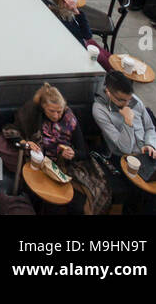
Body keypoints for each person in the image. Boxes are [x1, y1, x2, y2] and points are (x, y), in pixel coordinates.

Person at [93, 69, 156, 215]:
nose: (128, 104)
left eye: (129, 99)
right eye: (123, 100)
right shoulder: (100, 110)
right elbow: (125, 148)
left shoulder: (134, 101)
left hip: (149, 157)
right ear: (109, 94)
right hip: (127, 162)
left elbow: (149, 127)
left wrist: (149, 144)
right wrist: (127, 122)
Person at [12, 83, 109, 215]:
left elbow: (83, 151)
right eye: (52, 111)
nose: (57, 115)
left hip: (65, 166)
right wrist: (26, 142)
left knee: (80, 201)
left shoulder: (69, 119)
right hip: (41, 163)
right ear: (43, 107)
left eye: (60, 111)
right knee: (47, 200)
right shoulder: (34, 115)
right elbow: (11, 130)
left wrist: (72, 153)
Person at [42, 0, 108, 66]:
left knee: (104, 53)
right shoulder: (62, 20)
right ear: (62, 1)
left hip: (83, 42)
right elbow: (86, 35)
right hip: (80, 49)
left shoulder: (49, 4)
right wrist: (76, 12)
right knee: (106, 61)